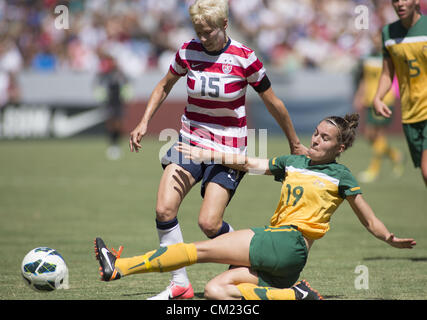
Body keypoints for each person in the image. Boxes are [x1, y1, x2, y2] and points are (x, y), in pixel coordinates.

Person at [95, 113, 416, 300]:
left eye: (326, 139)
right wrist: (208, 155)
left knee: (200, 250)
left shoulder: (342, 175)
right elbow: (248, 161)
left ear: (341, 147)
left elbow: (369, 219)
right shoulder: (293, 162)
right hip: (289, 263)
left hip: (287, 242)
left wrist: (388, 238)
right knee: (216, 290)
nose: (316, 140)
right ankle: (292, 296)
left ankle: (120, 267)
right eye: (316, 134)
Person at [128, 0, 305, 300]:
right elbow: (163, 85)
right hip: (190, 140)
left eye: (208, 32)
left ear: (224, 26)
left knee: (208, 224)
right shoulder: (187, 51)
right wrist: (144, 121)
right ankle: (179, 284)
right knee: (163, 208)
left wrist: (294, 142)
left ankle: (245, 257)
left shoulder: (245, 58)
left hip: (229, 150)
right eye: (198, 31)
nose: (203, 37)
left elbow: (273, 102)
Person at [373, 0, 427, 186]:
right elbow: (388, 73)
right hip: (411, 113)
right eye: (395, 0)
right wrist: (378, 97)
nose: (400, 4)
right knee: (424, 171)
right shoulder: (388, 33)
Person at [352, 33, 403, 183]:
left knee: (379, 135)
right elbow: (364, 79)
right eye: (374, 40)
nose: (376, 43)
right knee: (369, 135)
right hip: (369, 100)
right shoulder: (368, 58)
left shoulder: (390, 57)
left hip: (384, 100)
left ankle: (374, 170)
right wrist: (359, 95)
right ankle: (395, 155)